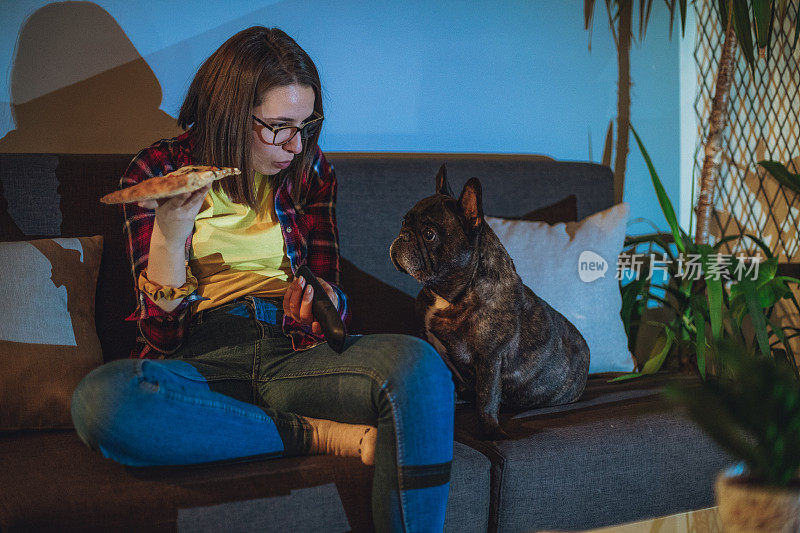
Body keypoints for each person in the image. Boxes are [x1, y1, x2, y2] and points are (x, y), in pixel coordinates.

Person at [70, 26, 454, 531]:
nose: (295, 144)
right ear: (230, 113)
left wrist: (323, 303)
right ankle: (316, 434)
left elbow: (330, 290)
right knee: (103, 402)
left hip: (293, 354)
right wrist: (170, 230)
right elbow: (160, 337)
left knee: (422, 368)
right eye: (278, 127)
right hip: (201, 361)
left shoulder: (311, 170)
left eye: (305, 124)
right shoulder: (158, 169)